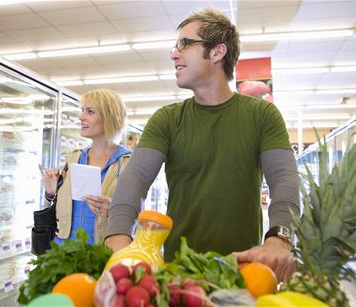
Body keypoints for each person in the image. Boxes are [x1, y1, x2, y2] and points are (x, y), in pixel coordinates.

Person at [104, 7, 300, 282]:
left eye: (185, 44)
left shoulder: (262, 115)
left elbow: (284, 181)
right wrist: (119, 235)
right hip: (177, 272)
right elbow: (135, 178)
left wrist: (279, 238)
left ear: (217, 52)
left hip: (244, 272)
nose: (174, 53)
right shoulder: (167, 119)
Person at [38, 89, 131, 245]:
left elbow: (139, 215)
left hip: (102, 253)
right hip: (64, 249)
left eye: (90, 111)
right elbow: (58, 207)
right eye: (82, 110)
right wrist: (51, 191)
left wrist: (114, 209)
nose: (81, 117)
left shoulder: (128, 162)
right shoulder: (74, 158)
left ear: (109, 117)